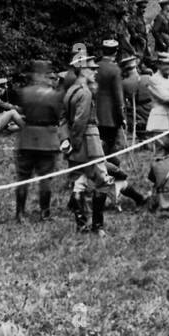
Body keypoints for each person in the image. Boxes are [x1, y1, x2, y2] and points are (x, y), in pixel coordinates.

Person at [59, 53, 115, 235]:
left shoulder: (69, 91)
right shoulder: (85, 92)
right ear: (82, 70)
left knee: (78, 182)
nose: (95, 72)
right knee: (104, 181)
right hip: (89, 141)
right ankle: (97, 225)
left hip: (75, 143)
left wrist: (66, 140)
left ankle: (81, 224)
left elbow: (62, 120)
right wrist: (74, 143)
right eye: (92, 69)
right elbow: (80, 121)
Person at [13, 60, 62, 221]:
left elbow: (22, 110)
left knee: (22, 177)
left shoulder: (25, 93)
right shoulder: (53, 96)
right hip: (47, 139)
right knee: (45, 178)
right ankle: (45, 212)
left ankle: (20, 212)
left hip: (27, 138)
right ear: (45, 74)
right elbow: (56, 117)